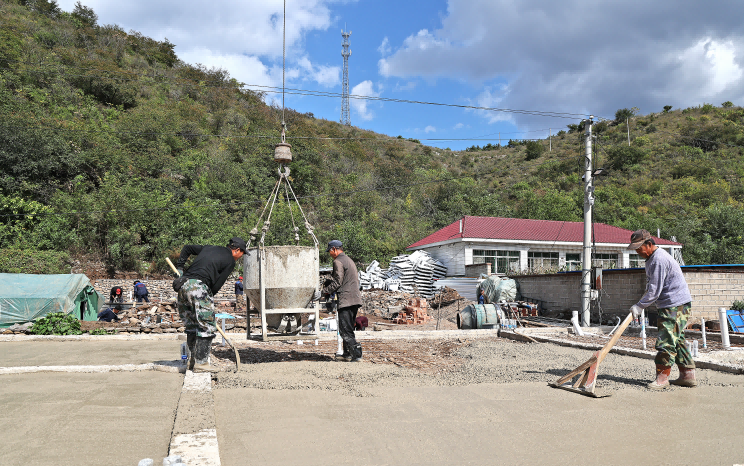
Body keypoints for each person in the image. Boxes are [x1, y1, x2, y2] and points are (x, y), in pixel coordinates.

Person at [628, 229, 696, 390]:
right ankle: (688, 376)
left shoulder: (658, 260)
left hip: (674, 305)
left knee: (666, 341)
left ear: (649, 244)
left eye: (639, 248)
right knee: (677, 340)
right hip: (675, 304)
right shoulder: (652, 258)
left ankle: (662, 379)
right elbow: (652, 287)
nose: (638, 252)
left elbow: (654, 290)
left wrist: (639, 306)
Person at [174, 237, 246, 372]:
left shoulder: (209, 247)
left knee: (192, 326)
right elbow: (217, 284)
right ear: (237, 250)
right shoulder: (230, 260)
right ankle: (201, 364)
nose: (241, 256)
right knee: (207, 326)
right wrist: (207, 299)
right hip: (199, 287)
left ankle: (191, 361)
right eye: (242, 253)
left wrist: (180, 267)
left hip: (183, 286)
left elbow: (187, 248)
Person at [321, 240, 363, 362]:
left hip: (346, 300)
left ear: (334, 249)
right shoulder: (349, 260)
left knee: (345, 329)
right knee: (348, 327)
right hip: (354, 299)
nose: (329, 253)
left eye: (329, 251)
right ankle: (347, 353)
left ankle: (357, 353)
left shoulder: (338, 261)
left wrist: (324, 291)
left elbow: (338, 281)